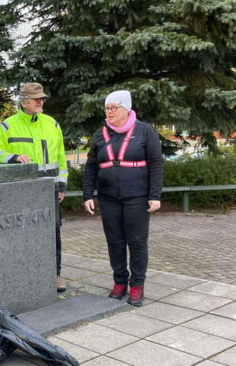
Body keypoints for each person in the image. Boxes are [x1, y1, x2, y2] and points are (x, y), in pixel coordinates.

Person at [82, 90, 164, 307]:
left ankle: (137, 284)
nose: (109, 112)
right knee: (115, 242)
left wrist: (154, 195)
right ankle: (120, 282)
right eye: (106, 108)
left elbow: (156, 164)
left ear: (125, 109)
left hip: (136, 197)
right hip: (108, 198)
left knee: (137, 242)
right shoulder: (100, 134)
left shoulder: (145, 131)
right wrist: (88, 194)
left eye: (113, 108)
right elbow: (91, 166)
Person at [0, 82, 69, 293]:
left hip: (49, 190)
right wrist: (13, 157)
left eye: (42, 98)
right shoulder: (6, 126)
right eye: (37, 99)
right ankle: (20, 275)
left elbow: (61, 158)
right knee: (19, 233)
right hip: (20, 191)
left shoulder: (52, 124)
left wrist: (61, 185)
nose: (41, 102)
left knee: (53, 233)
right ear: (24, 102)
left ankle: (54, 275)